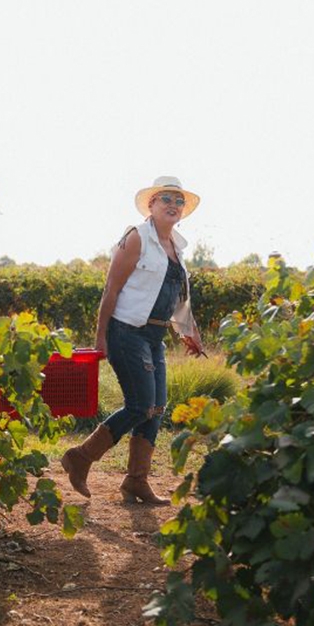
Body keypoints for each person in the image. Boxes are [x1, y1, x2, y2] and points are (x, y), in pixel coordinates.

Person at [61, 177, 205, 505]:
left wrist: (190, 332)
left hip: (154, 336)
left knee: (156, 409)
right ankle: (81, 457)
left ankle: (135, 481)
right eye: (165, 198)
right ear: (151, 205)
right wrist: (101, 337)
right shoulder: (137, 238)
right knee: (140, 405)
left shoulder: (177, 248)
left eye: (178, 200)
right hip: (126, 331)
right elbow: (111, 288)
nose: (173, 204)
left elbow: (180, 300)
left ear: (183, 211)